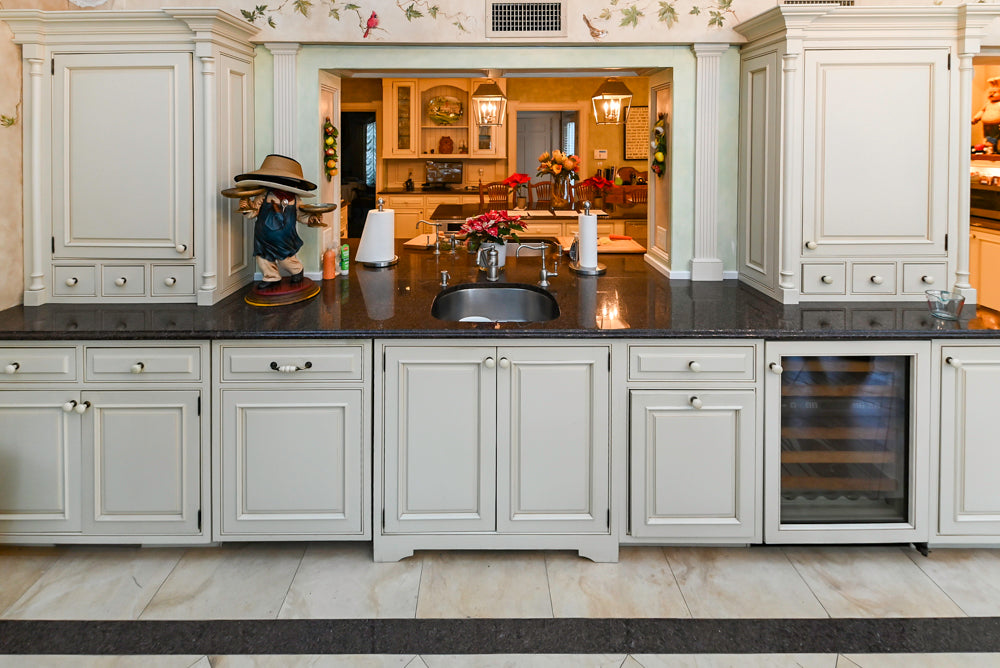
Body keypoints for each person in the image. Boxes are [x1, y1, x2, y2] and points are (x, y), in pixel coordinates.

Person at [232, 154, 325, 289]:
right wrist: (246, 207)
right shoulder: (264, 195)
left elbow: (300, 215)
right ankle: (271, 277)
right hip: (263, 237)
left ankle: (297, 270)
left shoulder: (295, 199)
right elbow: (253, 211)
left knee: (286, 260)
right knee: (263, 259)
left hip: (285, 238)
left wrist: (311, 219)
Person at [972, 77, 1000, 152]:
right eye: (990, 93)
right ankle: (988, 147)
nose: (991, 94)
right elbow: (982, 111)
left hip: (996, 125)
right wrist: (975, 118)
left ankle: (992, 148)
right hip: (986, 125)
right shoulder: (988, 104)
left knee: (994, 137)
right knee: (987, 137)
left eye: (994, 93)